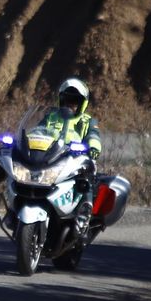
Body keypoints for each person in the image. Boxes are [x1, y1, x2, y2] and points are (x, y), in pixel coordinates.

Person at [39, 77, 103, 218]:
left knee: (86, 177)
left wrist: (93, 148)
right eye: (67, 100)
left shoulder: (87, 121)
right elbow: (38, 130)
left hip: (78, 159)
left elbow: (94, 135)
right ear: (61, 100)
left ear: (82, 103)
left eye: (74, 101)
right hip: (52, 156)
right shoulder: (51, 117)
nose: (70, 104)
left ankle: (85, 210)